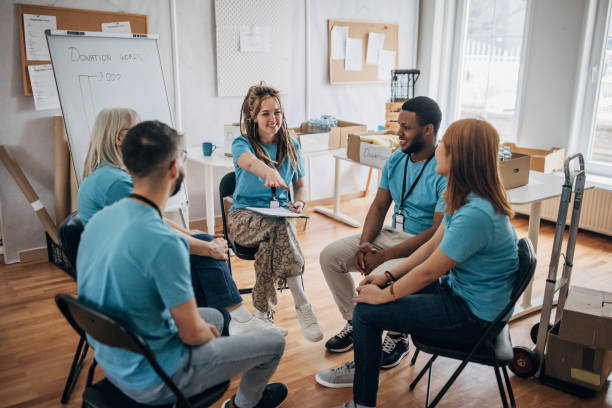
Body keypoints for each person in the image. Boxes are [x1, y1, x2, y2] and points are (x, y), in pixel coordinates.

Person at [77, 120, 288, 408]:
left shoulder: (100, 219)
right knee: (273, 343)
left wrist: (205, 331)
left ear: (127, 167)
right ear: (174, 170)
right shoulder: (166, 244)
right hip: (157, 377)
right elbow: (192, 333)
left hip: (113, 356)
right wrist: (204, 337)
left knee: (217, 317)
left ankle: (222, 356)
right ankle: (243, 404)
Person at [323, 118, 519, 408]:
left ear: (459, 157)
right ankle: (367, 365)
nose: (438, 149)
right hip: (462, 297)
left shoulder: (476, 214)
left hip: (473, 318)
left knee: (366, 312)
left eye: (444, 146)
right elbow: (430, 247)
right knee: (370, 305)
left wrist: (384, 295)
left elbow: (429, 271)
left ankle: (363, 402)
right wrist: (386, 276)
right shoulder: (466, 199)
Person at [77, 108, 268, 336]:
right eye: (136, 130)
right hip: (128, 272)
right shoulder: (115, 183)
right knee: (204, 251)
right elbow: (155, 229)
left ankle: (232, 321)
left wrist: (192, 235)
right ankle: (234, 322)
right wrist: (206, 247)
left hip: (117, 266)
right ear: (120, 138)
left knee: (203, 243)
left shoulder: (107, 175)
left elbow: (154, 220)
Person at [318, 96, 447, 373]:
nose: (399, 133)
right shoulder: (395, 160)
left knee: (376, 281)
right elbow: (379, 205)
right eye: (398, 125)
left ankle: (397, 337)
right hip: (390, 234)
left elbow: (436, 232)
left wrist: (385, 256)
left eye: (407, 127)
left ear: (428, 130)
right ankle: (356, 321)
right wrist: (365, 244)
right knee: (330, 257)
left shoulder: (444, 170)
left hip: (421, 246)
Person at [227, 83, 323, 342]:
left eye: (277, 112)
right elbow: (247, 162)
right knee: (279, 228)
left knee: (271, 242)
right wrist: (268, 172)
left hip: (278, 218)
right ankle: (302, 302)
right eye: (265, 113)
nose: (273, 119)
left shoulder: (292, 145)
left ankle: (262, 314)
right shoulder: (242, 143)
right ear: (253, 117)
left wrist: (300, 203)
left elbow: (300, 187)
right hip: (243, 218)